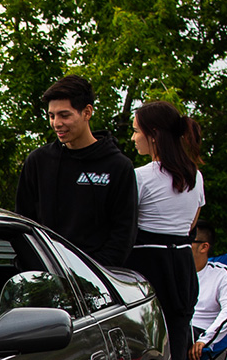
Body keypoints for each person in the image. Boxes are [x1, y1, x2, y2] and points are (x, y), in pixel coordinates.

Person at [127, 100, 206, 360]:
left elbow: (128, 224)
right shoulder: (195, 175)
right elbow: (191, 225)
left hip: (148, 265)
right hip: (181, 266)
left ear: (153, 135)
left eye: (137, 130)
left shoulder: (139, 176)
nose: (133, 136)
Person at [15, 75, 137, 265]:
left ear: (87, 112)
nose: (56, 123)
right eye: (51, 116)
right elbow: (22, 223)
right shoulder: (38, 161)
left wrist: (93, 274)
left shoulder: (118, 166)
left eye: (65, 115)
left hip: (96, 278)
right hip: (43, 274)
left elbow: (123, 233)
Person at [189, 221, 227, 360]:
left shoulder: (222, 274)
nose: (182, 245)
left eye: (188, 241)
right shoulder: (174, 272)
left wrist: (204, 339)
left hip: (199, 332)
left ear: (204, 247)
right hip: (173, 328)